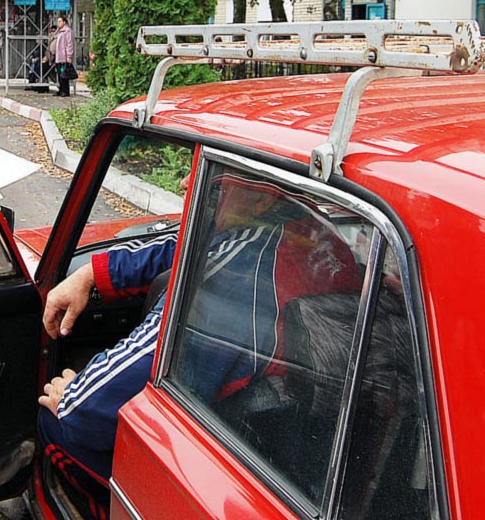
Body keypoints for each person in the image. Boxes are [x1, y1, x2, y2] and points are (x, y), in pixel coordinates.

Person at [38, 174, 361, 519]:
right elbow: (191, 242)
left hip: (244, 460)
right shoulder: (307, 230)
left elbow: (93, 411)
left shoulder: (240, 269)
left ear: (262, 200)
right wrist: (94, 274)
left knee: (55, 421)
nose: (183, 185)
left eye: (215, 181)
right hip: (304, 447)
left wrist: (71, 395)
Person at [53, 15, 75, 97]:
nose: (58, 23)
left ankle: (65, 91)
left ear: (64, 22)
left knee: (64, 74)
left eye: (60, 21)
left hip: (64, 56)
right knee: (59, 74)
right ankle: (61, 89)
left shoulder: (67, 31)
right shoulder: (59, 31)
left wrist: (69, 55)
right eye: (58, 21)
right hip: (59, 56)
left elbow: (70, 44)